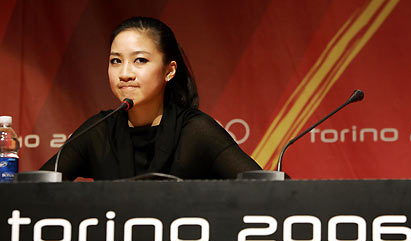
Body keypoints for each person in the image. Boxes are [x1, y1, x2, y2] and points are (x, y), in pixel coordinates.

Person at [40, 16, 261, 180]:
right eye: (116, 61)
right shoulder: (99, 132)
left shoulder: (195, 131)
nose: (125, 73)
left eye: (140, 60)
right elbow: (33, 190)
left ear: (169, 70)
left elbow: (267, 189)